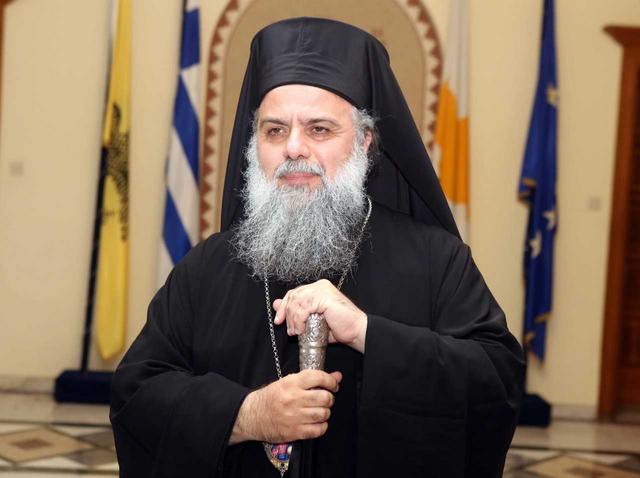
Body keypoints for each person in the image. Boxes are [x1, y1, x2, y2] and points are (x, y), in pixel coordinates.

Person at [110, 17, 524, 478]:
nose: (293, 149)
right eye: (274, 130)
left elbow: (496, 381)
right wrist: (245, 415)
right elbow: (136, 392)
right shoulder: (208, 266)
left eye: (319, 129)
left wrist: (367, 332)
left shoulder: (436, 260)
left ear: (365, 142)